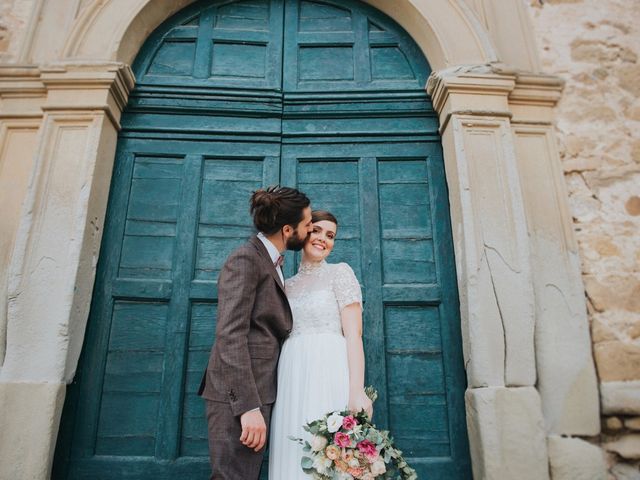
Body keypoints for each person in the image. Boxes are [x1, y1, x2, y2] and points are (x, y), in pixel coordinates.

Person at [198, 186, 312, 480]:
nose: (310, 230)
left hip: (259, 390)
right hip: (238, 396)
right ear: (288, 230)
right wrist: (247, 407)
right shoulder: (246, 259)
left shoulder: (270, 261)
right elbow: (230, 334)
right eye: (307, 223)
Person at [268, 210, 373, 478]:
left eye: (330, 235)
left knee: (330, 458)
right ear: (303, 233)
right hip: (292, 376)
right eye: (316, 231)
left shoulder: (340, 273)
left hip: (330, 373)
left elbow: (354, 335)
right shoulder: (285, 285)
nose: (323, 239)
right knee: (294, 450)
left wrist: (356, 391)